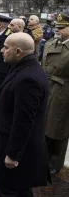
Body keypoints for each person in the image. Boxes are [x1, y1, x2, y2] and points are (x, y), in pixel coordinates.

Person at [0, 33, 50, 197]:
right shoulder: (23, 68)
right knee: (20, 190)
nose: (2, 50)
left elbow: (24, 121)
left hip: (15, 151)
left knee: (9, 190)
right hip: (9, 143)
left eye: (6, 47)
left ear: (18, 52)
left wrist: (13, 155)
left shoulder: (28, 79)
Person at [42, 13, 69, 175]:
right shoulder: (51, 43)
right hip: (48, 87)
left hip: (63, 92)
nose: (57, 30)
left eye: (62, 27)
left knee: (59, 128)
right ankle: (43, 157)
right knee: (44, 126)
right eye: (57, 27)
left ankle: (55, 163)